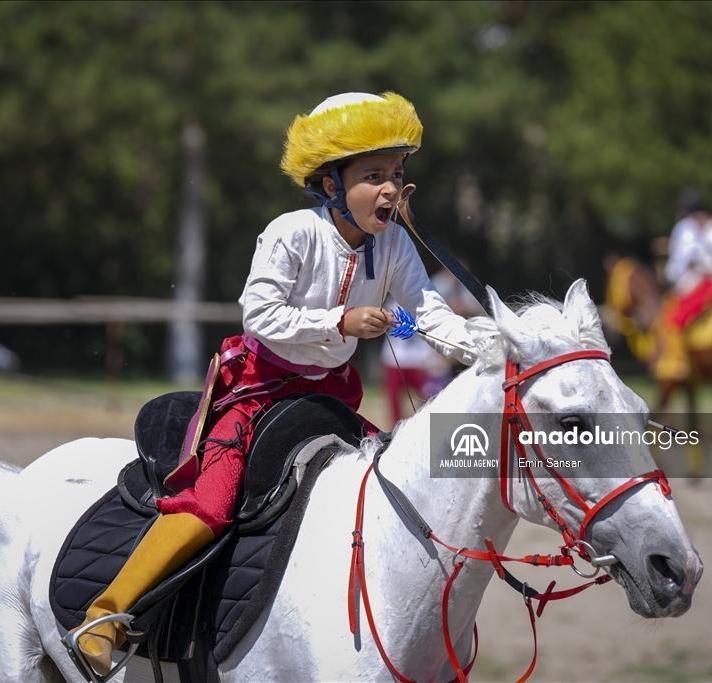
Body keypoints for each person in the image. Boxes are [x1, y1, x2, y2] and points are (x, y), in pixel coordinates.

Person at [74, 91, 474, 674]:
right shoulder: (289, 232)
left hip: (329, 398)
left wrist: (503, 348)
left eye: (397, 174)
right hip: (256, 393)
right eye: (373, 176)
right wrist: (339, 322)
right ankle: (107, 613)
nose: (391, 189)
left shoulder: (393, 245)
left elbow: (431, 315)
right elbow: (259, 318)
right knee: (210, 503)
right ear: (331, 184)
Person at [654, 189, 712, 380]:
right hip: (705, 280)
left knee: (675, 319)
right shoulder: (708, 227)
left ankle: (677, 366)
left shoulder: (706, 229)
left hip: (710, 282)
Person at [380, 267, 483, 425]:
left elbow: (444, 312)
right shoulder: (395, 298)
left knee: (432, 401)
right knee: (395, 407)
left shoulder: (428, 293)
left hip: (421, 360)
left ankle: (431, 432)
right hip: (396, 360)